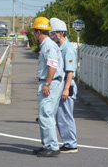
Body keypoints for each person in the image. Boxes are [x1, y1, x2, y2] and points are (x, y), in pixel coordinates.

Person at [32, 17, 64, 157]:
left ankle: (52, 146)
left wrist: (47, 83)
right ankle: (46, 145)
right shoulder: (47, 45)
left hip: (50, 82)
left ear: (38, 32)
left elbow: (52, 65)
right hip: (51, 82)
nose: (33, 35)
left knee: (46, 115)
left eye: (34, 32)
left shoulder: (48, 46)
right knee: (45, 115)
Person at [50, 18, 78, 154]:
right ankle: (68, 142)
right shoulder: (60, 48)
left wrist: (66, 89)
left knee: (66, 115)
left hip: (68, 85)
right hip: (63, 85)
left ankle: (71, 144)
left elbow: (70, 71)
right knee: (61, 116)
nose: (52, 36)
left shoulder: (68, 49)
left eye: (54, 34)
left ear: (60, 33)